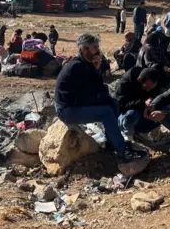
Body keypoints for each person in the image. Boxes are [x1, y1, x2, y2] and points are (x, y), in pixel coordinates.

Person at [54, 34, 149, 163]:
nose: (98, 50)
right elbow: (92, 91)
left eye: (97, 46)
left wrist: (96, 69)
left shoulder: (85, 64)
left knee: (113, 104)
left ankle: (111, 143)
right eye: (94, 47)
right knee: (106, 111)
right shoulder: (77, 66)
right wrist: (97, 75)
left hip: (76, 103)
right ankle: (122, 151)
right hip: (67, 109)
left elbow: (97, 89)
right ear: (85, 50)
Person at [116, 67, 161, 141]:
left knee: (162, 110)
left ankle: (143, 132)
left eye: (151, 88)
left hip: (142, 110)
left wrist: (152, 100)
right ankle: (129, 138)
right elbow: (121, 105)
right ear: (139, 80)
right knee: (132, 114)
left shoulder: (151, 78)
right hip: (126, 113)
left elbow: (155, 94)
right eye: (146, 88)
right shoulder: (125, 83)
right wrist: (142, 103)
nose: (148, 90)